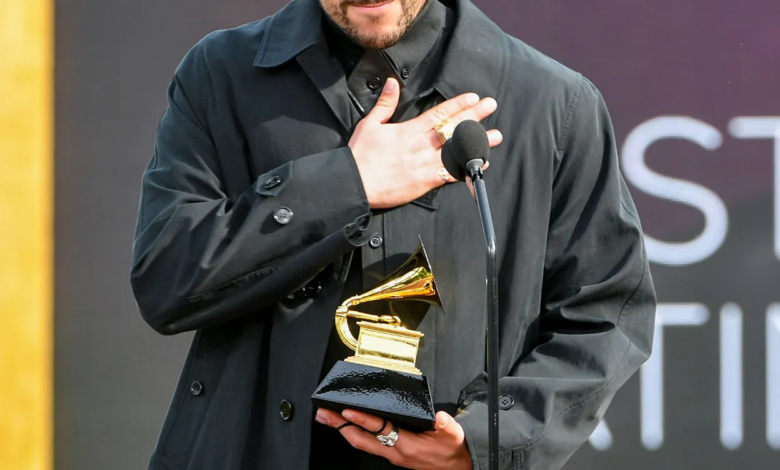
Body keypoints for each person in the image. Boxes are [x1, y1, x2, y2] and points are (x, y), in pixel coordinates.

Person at [130, 0, 657, 468]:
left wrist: (483, 442)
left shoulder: (554, 102)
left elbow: (604, 313)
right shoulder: (219, 73)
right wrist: (348, 183)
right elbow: (167, 281)